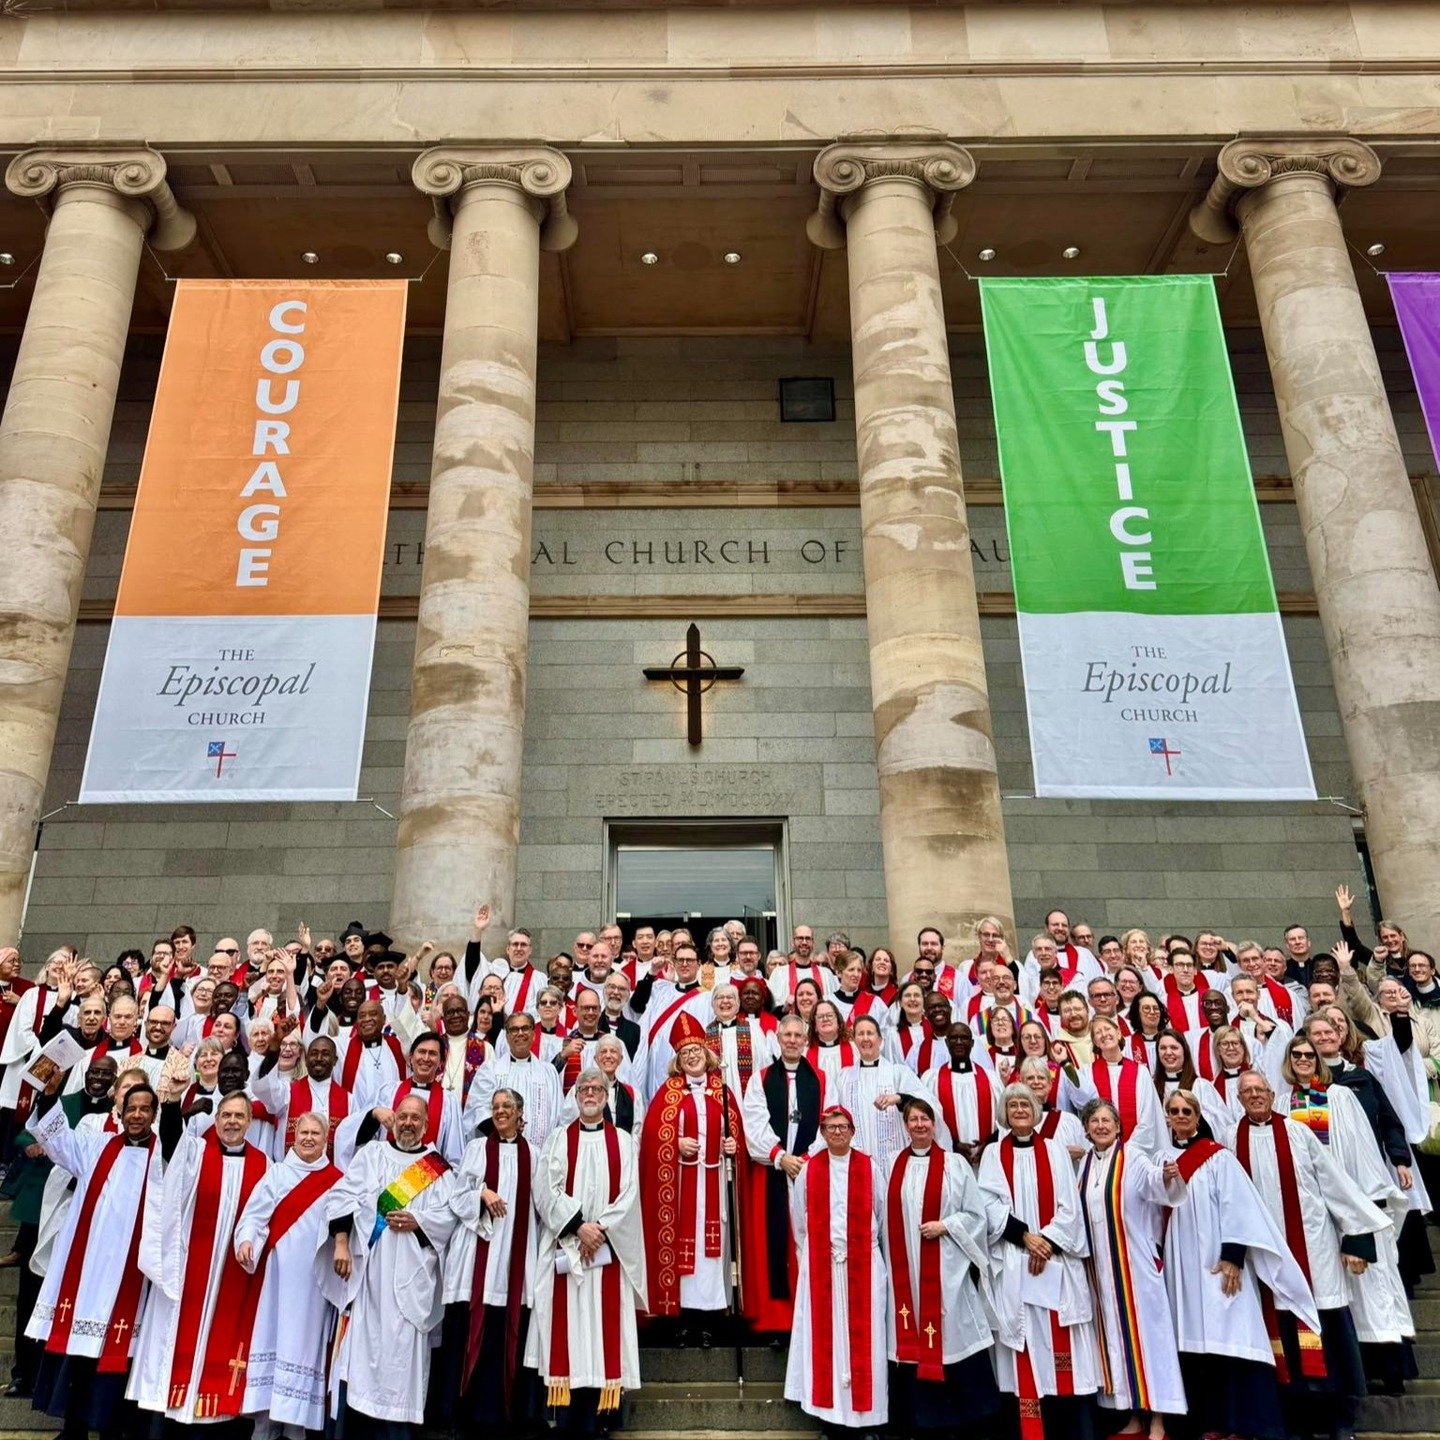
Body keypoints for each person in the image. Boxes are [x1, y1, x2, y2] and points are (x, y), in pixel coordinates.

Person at [1230, 1071, 1387, 1440]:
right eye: (1246, 1091)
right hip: (1266, 1262)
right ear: (1238, 1099)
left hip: (1314, 1254)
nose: (1254, 1096)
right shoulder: (1229, 1139)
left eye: (1260, 1090)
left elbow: (1337, 1185)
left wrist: (1357, 1241)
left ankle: (1339, 1421)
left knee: (1327, 1339)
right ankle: (1297, 1422)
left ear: (1272, 1094)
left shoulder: (1299, 1133)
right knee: (1282, 1342)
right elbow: (1228, 1203)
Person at [1158, 1087, 1318, 1440]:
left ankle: (1246, 1424)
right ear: (1166, 1117)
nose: (1182, 1116)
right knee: (1193, 1345)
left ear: (1198, 1118)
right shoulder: (1159, 1161)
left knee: (1231, 1338)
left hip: (1218, 1265)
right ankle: (1208, 1423)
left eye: (1188, 1111)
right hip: (1179, 1270)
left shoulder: (1218, 1158)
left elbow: (1240, 1207)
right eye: (1175, 1111)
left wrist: (1232, 1258)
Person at [26, 1080, 160, 1440]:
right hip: (88, 1274)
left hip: (132, 1279)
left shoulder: (165, 1159)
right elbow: (57, 1142)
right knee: (80, 1354)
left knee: (119, 1360)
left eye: (144, 1108)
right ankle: (74, 1429)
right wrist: (51, 1095)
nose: (136, 1115)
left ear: (154, 1114)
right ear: (119, 1112)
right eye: (130, 1108)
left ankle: (111, 1431)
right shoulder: (96, 1146)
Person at [128, 1088, 271, 1428]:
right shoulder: (197, 1151)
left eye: (239, 1116)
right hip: (189, 1267)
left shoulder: (264, 1164)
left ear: (250, 1122)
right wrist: (174, 1102)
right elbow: (171, 1139)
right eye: (226, 1115)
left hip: (231, 1274)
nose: (232, 1122)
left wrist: (252, 1240)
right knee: (174, 1348)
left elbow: (265, 1217)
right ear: (216, 1119)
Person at [325, 1093, 458, 1439]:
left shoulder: (437, 1169)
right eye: (403, 1116)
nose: (408, 1123)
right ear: (393, 1120)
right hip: (369, 1278)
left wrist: (420, 1221)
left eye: (416, 1118)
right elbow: (341, 1196)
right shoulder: (371, 1155)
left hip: (410, 1283)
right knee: (359, 1365)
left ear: (427, 1126)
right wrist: (341, 1241)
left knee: (401, 1368)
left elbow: (450, 1219)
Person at [527, 1067, 646, 1437]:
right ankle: (567, 1420)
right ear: (575, 1096)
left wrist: (600, 1231)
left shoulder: (624, 1141)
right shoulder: (559, 1139)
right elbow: (546, 1189)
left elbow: (630, 1194)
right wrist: (578, 1226)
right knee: (569, 1332)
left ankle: (600, 1420)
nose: (591, 1093)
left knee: (601, 1336)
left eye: (597, 1088)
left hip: (607, 1253)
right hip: (568, 1250)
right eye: (584, 1089)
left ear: (607, 1096)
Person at [979, 1084, 1100, 1440]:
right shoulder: (992, 1154)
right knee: (1024, 1345)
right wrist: (1026, 1238)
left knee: (1065, 1354)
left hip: (1053, 1263)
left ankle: (1072, 1429)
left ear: (1036, 1110)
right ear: (1004, 1113)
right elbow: (988, 1205)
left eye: (1025, 1104)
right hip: (1016, 1261)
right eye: (1012, 1104)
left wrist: (1045, 1242)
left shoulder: (1055, 1151)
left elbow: (1069, 1205)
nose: (1019, 1110)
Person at [882, 1096, 1001, 1440]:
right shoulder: (891, 1165)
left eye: (925, 1119)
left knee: (953, 1335)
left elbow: (976, 1215)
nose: (919, 1124)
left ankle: (966, 1421)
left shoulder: (954, 1165)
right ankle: (918, 1423)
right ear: (905, 1126)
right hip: (906, 1276)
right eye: (913, 1119)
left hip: (947, 1272)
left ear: (935, 1124)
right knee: (911, 1339)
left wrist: (946, 1225)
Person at [1076, 1098, 1185, 1440]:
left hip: (1134, 1266)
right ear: (1087, 1128)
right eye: (1095, 1121)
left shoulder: (1132, 1156)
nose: (1101, 1126)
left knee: (1150, 1342)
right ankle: (1135, 1416)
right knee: (1120, 1343)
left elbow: (1154, 1182)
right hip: (1103, 1271)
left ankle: (1159, 1420)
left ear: (1119, 1126)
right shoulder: (1085, 1165)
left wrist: (1166, 1176)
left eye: (1107, 1120)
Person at [437, 1087, 541, 1437]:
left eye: (507, 1106)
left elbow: (544, 1204)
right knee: (469, 1337)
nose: (500, 1112)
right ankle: (462, 1417)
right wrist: (481, 1193)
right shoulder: (477, 1149)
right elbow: (456, 1197)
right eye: (495, 1107)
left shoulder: (535, 1155)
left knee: (508, 1337)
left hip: (516, 1259)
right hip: (477, 1259)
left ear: (519, 1113)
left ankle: (507, 1419)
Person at [233, 1112, 344, 1440]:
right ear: (294, 1136)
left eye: (316, 1133)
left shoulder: (338, 1181)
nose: (309, 1138)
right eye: (303, 1132)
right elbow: (253, 1215)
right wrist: (246, 1240)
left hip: (313, 1285)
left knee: (302, 1350)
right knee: (271, 1341)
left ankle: (296, 1430)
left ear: (327, 1140)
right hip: (276, 1282)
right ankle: (264, 1428)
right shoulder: (277, 1174)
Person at [639, 1012, 744, 1337]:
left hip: (714, 1185)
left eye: (697, 1050)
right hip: (683, 1188)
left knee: (713, 1252)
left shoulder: (722, 1092)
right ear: (678, 1060)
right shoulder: (668, 1094)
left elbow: (736, 1132)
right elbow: (652, 1134)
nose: (693, 1056)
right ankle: (682, 1319)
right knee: (686, 1250)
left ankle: (710, 1321)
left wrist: (732, 1143)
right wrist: (674, 1140)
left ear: (707, 1053)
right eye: (686, 1053)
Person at [785, 1105, 887, 1440]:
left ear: (853, 1131)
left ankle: (866, 1419)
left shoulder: (869, 1167)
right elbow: (800, 1222)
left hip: (863, 1265)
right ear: (822, 1132)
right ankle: (829, 1417)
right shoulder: (809, 1170)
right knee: (828, 1341)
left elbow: (881, 1216)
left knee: (865, 1338)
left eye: (843, 1127)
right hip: (823, 1267)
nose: (837, 1133)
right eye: (830, 1128)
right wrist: (820, 1253)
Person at [740, 1013, 824, 1334]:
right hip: (773, 1174)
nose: (791, 1040)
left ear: (805, 1040)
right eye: (786, 1035)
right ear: (777, 1038)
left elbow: (828, 1122)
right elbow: (754, 1123)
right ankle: (777, 1320)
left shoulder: (820, 1078)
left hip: (808, 1172)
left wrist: (805, 1159)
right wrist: (779, 1157)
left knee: (805, 1242)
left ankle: (807, 1318)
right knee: (773, 1245)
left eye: (797, 1035)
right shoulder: (760, 1079)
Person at [837, 1015, 932, 1172]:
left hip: (894, 1159)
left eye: (870, 1033)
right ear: (854, 1041)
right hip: (856, 1161)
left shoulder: (898, 1073)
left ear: (880, 1040)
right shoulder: (843, 1078)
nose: (865, 1038)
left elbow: (927, 1104)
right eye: (860, 1034)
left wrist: (900, 1098)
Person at [469, 1012, 564, 1148]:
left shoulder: (549, 1072)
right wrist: (508, 1135)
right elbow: (478, 1112)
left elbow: (558, 1115)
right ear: (507, 1037)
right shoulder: (490, 1070)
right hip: (499, 1151)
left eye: (525, 1028)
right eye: (514, 1029)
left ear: (533, 1034)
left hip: (540, 1155)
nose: (520, 1033)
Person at [924, 1020, 998, 1163]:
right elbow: (928, 1118)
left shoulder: (991, 1079)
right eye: (954, 1038)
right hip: (948, 1160)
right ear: (946, 1042)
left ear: (972, 1043)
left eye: (963, 1038)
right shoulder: (932, 1079)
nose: (959, 1042)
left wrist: (988, 1145)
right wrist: (953, 1144)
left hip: (985, 1161)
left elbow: (1003, 1121)